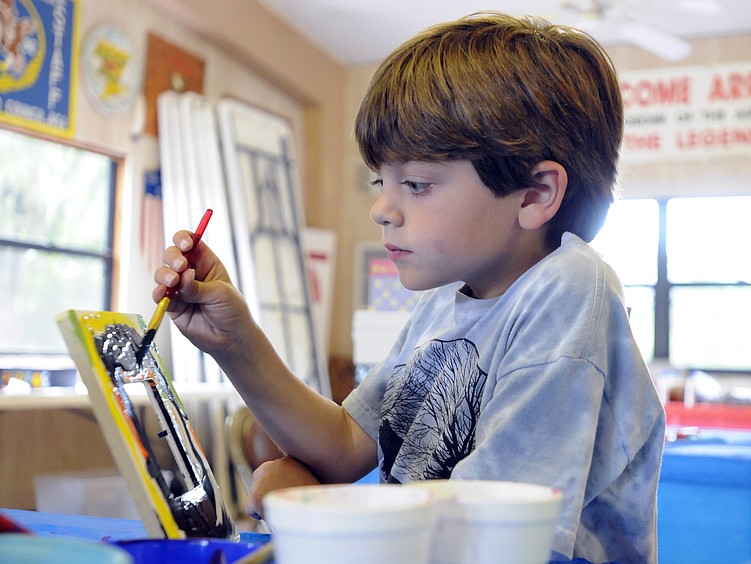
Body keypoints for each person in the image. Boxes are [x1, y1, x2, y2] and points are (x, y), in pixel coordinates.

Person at [154, 11, 665, 563]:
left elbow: (488, 538)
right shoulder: (446, 301)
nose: (381, 209)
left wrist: (309, 511)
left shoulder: (569, 289)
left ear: (534, 194)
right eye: (382, 181)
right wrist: (235, 343)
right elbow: (348, 443)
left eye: (417, 184)